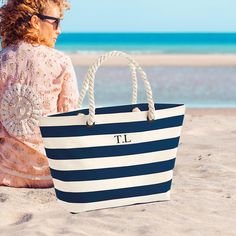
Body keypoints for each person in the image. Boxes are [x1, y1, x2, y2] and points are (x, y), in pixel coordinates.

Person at [0, 0, 79, 188]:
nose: (58, 30)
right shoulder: (61, 62)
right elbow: (69, 122)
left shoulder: (2, 59)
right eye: (56, 22)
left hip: (6, 174)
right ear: (35, 21)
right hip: (50, 175)